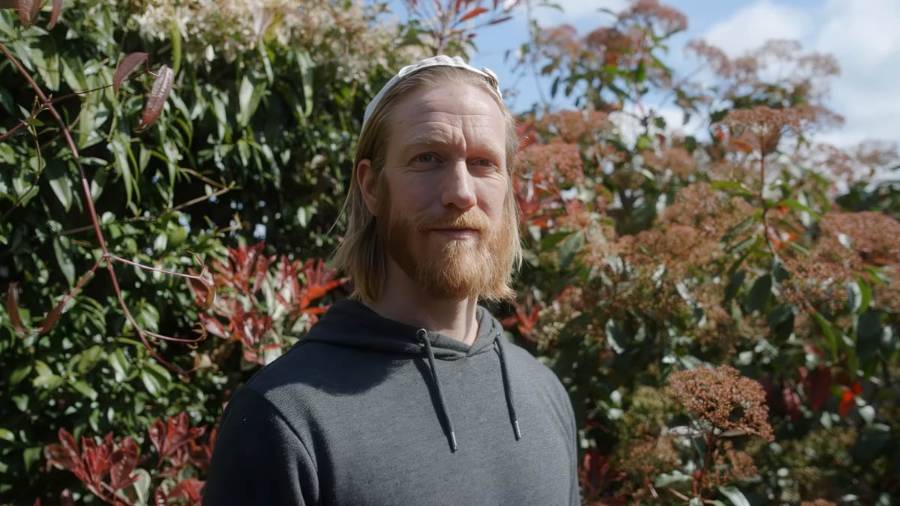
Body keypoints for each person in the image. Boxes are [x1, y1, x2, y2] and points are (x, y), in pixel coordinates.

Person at [203, 55, 580, 505]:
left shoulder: (544, 393)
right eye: (427, 158)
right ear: (371, 186)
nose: (460, 191)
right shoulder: (285, 417)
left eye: (483, 163)